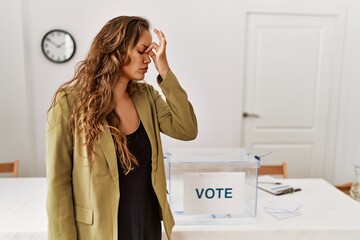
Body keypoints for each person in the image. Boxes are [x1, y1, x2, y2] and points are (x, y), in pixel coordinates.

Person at [45, 16, 197, 240]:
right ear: (116, 49)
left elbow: (186, 129)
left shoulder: (147, 97)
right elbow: (58, 182)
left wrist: (165, 71)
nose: (148, 58)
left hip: (146, 223)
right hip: (99, 230)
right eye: (142, 50)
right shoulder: (69, 102)